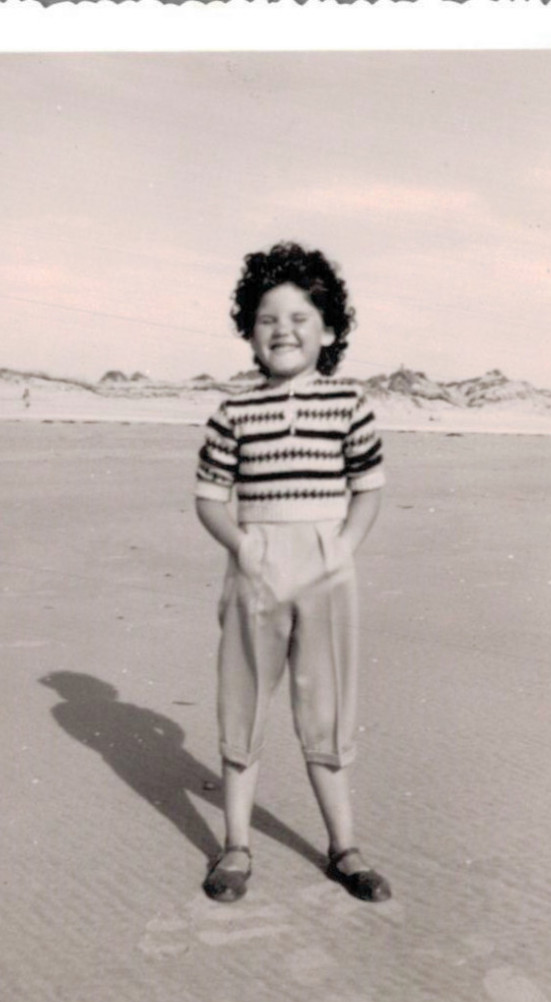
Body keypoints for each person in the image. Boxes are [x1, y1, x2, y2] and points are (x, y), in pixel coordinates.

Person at [195, 241, 391, 904]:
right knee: (242, 704)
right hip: (254, 564)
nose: (282, 329)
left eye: (299, 317)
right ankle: (235, 845)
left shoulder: (348, 404)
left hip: (324, 566)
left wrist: (343, 546)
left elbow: (368, 486)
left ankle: (344, 846)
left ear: (328, 330)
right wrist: (239, 544)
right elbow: (208, 496)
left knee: (326, 711)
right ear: (249, 332)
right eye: (266, 318)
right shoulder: (232, 412)